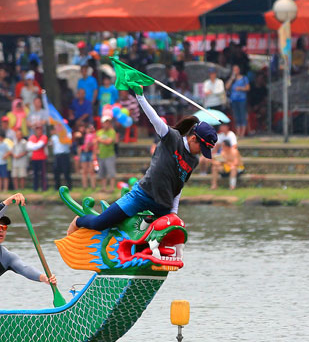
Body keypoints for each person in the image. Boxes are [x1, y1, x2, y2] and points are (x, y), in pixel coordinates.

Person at [68, 87, 217, 234]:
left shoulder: (193, 160)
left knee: (168, 238)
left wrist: (174, 213)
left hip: (163, 206)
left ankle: (144, 228)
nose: (201, 153)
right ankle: (78, 222)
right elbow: (154, 119)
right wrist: (140, 97)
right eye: (202, 148)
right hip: (141, 195)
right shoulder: (172, 138)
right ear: (193, 138)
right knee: (99, 223)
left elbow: (178, 187)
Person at [210, 124, 243, 190]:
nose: (222, 147)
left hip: (237, 168)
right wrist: (215, 163)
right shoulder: (223, 152)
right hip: (226, 167)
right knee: (214, 168)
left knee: (233, 168)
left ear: (227, 147)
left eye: (223, 146)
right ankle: (214, 185)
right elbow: (219, 161)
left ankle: (232, 186)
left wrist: (226, 162)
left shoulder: (234, 152)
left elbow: (236, 163)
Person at [96, 115, 118, 193]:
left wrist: (99, 140)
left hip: (110, 155)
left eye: (108, 122)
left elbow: (109, 142)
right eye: (105, 123)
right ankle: (104, 188)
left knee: (111, 172)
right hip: (101, 155)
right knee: (102, 173)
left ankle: (112, 188)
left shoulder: (112, 132)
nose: (107, 124)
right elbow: (96, 143)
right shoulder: (99, 132)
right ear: (102, 123)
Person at [226, 65, 249, 137]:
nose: (235, 71)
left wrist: (240, 88)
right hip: (234, 99)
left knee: (242, 115)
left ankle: (243, 133)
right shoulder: (232, 79)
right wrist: (231, 79)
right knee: (236, 116)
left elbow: (248, 88)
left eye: (236, 70)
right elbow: (227, 87)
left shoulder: (244, 78)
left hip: (242, 99)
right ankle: (238, 132)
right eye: (234, 70)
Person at [27, 124, 48, 191]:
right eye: (37, 129)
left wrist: (34, 146)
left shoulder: (44, 137)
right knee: (35, 174)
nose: (38, 131)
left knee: (43, 174)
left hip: (42, 158)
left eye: (40, 129)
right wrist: (35, 146)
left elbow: (38, 146)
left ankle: (44, 188)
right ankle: (35, 188)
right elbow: (29, 146)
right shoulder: (32, 137)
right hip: (34, 158)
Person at [79, 123, 97, 190]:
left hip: (90, 152)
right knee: (84, 171)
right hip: (84, 153)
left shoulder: (94, 136)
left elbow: (94, 144)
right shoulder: (82, 135)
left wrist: (93, 153)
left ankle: (93, 186)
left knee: (91, 171)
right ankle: (84, 186)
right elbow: (80, 146)